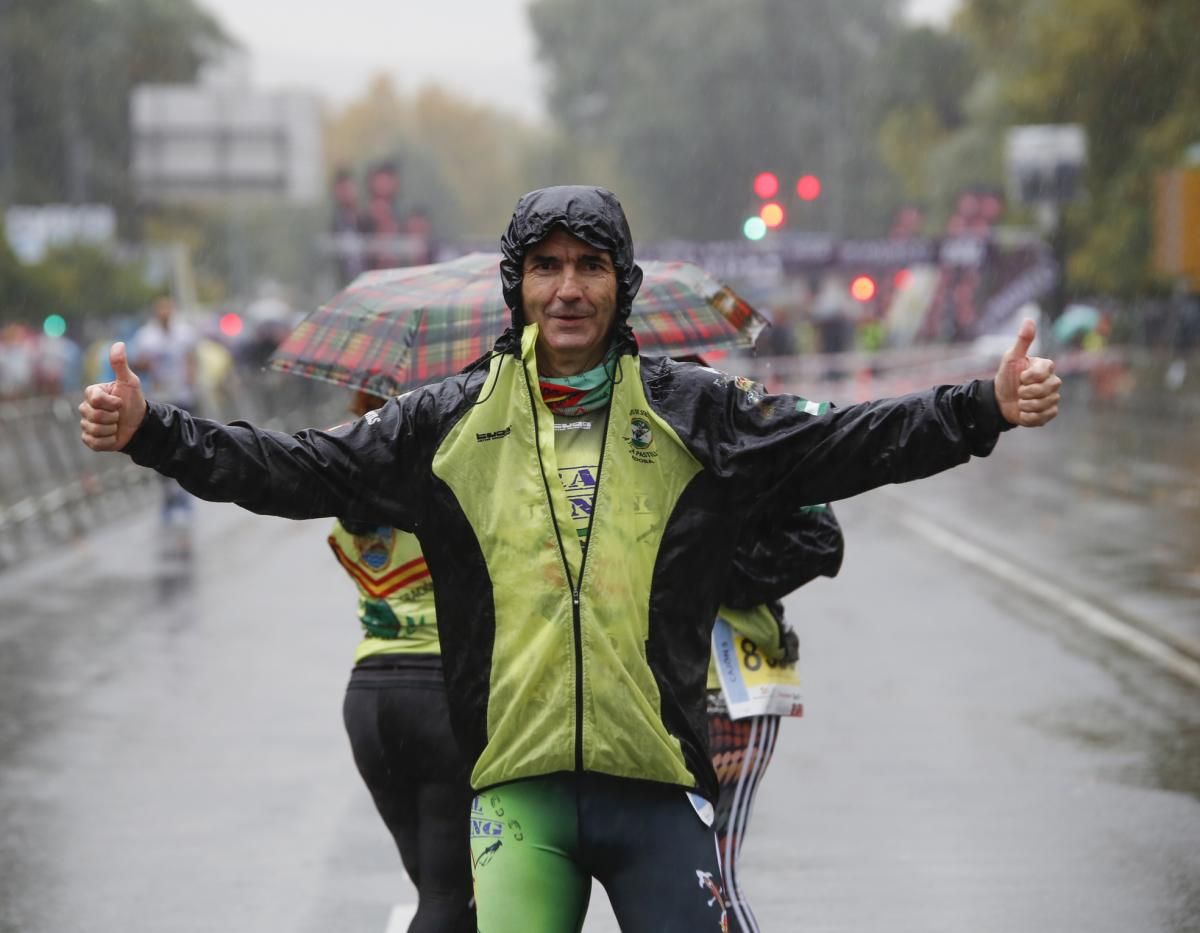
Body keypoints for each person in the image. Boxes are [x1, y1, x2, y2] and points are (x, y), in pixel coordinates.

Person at [80, 185, 1061, 932]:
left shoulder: (697, 413)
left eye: (589, 264)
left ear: (620, 282)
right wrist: (153, 432)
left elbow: (839, 444)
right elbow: (294, 471)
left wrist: (982, 408)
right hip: (515, 794)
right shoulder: (448, 422)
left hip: (659, 785)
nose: (567, 287)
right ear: (518, 287)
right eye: (544, 266)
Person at [331, 391, 475, 933]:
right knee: (447, 896)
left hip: (367, 699)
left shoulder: (348, 518)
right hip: (440, 699)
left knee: (438, 892)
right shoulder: (438, 501)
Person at [710, 501, 844, 933]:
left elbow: (822, 539)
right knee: (672, 877)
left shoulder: (752, 432)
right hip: (644, 687)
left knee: (713, 879)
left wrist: (703, 562)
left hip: (730, 693)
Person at [126, 294, 199, 531]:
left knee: (185, 447)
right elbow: (137, 363)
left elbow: (191, 359)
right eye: (161, 309)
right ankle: (169, 499)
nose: (165, 313)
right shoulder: (146, 337)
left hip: (183, 398)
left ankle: (186, 497)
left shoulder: (184, 332)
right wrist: (145, 365)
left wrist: (191, 378)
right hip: (159, 401)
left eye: (168, 309)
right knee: (162, 450)